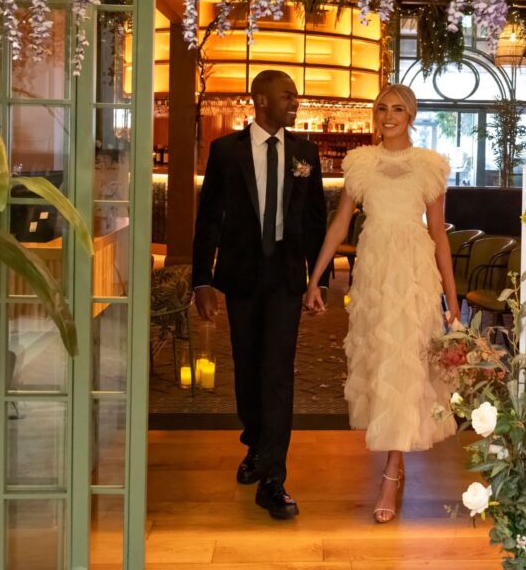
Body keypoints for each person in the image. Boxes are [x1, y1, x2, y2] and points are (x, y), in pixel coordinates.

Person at [303, 83, 460, 523]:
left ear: (411, 116)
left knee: (406, 361)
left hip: (414, 274)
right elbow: (340, 224)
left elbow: (439, 233)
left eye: (397, 109)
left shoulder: (429, 166)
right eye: (381, 109)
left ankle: (390, 472)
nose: (387, 116)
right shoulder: (360, 163)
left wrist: (451, 298)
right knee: (381, 361)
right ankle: (395, 452)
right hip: (373, 274)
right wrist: (314, 279)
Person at [192, 69, 329, 520]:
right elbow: (209, 218)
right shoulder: (225, 152)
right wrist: (202, 280)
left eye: (296, 95)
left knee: (278, 373)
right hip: (241, 277)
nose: (296, 102)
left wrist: (319, 281)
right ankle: (255, 442)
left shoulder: (306, 153)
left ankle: (273, 478)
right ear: (261, 99)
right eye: (288, 95)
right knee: (247, 368)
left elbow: (314, 220)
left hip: (286, 279)